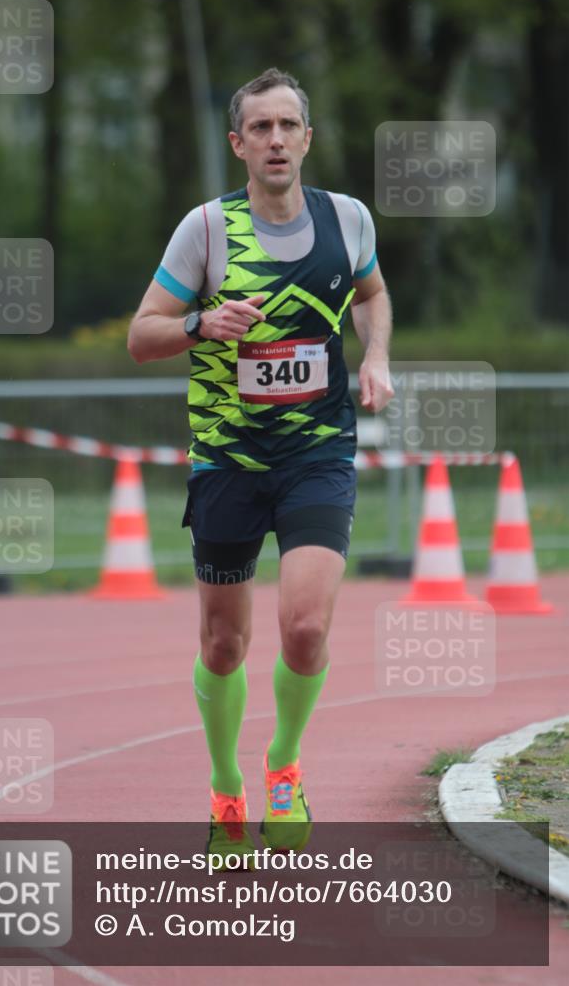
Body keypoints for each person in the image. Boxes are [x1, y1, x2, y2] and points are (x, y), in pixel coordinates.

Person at [128, 68, 393, 867]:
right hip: (227, 462)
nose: (275, 140)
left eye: (288, 126)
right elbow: (143, 335)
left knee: (306, 627)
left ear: (306, 139)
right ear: (238, 144)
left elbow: (374, 295)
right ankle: (224, 789)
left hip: (316, 451)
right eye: (260, 129)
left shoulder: (345, 219)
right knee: (222, 645)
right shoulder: (204, 231)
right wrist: (202, 324)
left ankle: (282, 764)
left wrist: (376, 356)